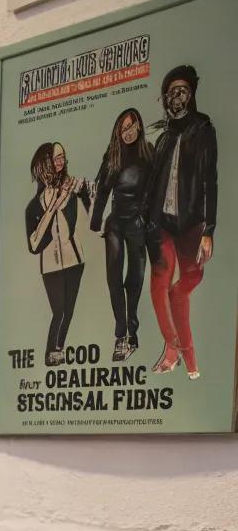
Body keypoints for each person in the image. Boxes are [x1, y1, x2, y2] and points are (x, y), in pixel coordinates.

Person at [144, 64, 217, 380]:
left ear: (192, 95)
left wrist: (209, 229)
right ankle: (173, 352)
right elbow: (153, 183)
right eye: (172, 90)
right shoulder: (162, 138)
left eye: (184, 89)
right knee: (158, 285)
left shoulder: (202, 129)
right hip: (161, 223)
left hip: (191, 224)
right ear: (164, 97)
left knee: (183, 287)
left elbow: (210, 181)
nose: (178, 95)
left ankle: (188, 357)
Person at [90, 107, 153, 361]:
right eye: (123, 128)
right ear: (118, 131)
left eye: (131, 126)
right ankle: (120, 334)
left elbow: (155, 190)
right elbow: (103, 191)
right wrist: (96, 222)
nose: (128, 132)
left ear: (139, 125)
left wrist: (146, 220)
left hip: (137, 222)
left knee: (135, 279)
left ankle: (133, 333)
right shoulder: (113, 155)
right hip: (115, 222)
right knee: (113, 276)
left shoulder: (148, 152)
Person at [26, 141, 91, 366]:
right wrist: (52, 207)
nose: (60, 162)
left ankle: (59, 349)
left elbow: (94, 212)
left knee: (69, 311)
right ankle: (49, 352)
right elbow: (34, 245)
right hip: (50, 266)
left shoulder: (72, 188)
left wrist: (85, 190)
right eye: (55, 158)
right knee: (59, 311)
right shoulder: (33, 206)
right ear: (44, 165)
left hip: (75, 259)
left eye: (62, 156)